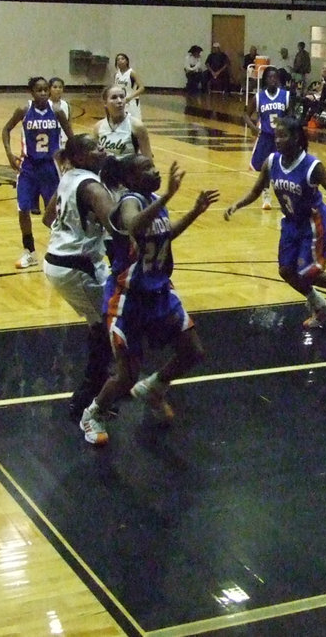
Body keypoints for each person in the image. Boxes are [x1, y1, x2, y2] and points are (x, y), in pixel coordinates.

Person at [76, 156, 218, 446]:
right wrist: (167, 194)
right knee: (126, 376)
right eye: (147, 169)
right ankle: (93, 413)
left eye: (154, 166)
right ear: (131, 178)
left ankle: (154, 388)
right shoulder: (130, 201)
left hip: (160, 292)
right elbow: (135, 227)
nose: (155, 171)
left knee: (192, 351)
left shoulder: (152, 200)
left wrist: (194, 212)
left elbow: (164, 236)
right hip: (128, 299)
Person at [224, 115, 326, 329]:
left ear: (297, 138)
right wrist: (237, 205)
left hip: (313, 222)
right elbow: (255, 190)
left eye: (283, 136)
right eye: (276, 136)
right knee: (286, 271)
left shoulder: (312, 165)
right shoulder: (271, 162)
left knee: (307, 271)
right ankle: (322, 307)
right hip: (290, 222)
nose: (277, 140)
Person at [42, 134, 117, 424]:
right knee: (106, 327)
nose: (102, 149)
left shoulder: (69, 176)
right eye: (94, 148)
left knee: (99, 324)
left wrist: (78, 225)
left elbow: (48, 218)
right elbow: (119, 225)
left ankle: (100, 387)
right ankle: (87, 399)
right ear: (79, 157)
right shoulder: (91, 186)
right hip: (77, 265)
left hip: (61, 260)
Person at [2, 76, 74, 269]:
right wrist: (9, 154)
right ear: (31, 92)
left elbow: (72, 137)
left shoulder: (57, 111)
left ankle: (59, 251)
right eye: (39, 90)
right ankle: (30, 251)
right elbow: (6, 129)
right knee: (23, 208)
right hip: (29, 166)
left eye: (45, 90)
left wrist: (69, 159)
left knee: (55, 213)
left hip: (50, 167)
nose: (43, 93)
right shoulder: (24, 110)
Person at [245, 66, 291, 209]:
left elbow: (291, 116)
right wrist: (253, 127)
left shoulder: (286, 96)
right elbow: (245, 114)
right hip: (265, 137)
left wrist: (289, 130)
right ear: (265, 79)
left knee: (282, 168)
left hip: (281, 139)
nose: (273, 80)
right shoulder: (259, 97)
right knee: (265, 169)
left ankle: (284, 198)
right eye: (270, 77)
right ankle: (266, 195)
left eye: (275, 77)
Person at [95, 85, 152, 160]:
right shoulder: (98, 127)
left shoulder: (137, 126)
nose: (119, 101)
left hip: (128, 170)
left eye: (122, 97)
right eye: (114, 97)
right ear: (105, 103)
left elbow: (148, 159)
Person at [112, 52, 144, 119]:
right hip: (120, 102)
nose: (120, 61)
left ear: (127, 61)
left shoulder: (132, 73)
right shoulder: (116, 74)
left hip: (132, 102)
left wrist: (130, 97)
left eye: (122, 59)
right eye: (118, 59)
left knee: (134, 123)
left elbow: (141, 88)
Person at [47, 76, 70, 147]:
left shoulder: (66, 105)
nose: (58, 89)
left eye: (60, 87)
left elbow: (69, 124)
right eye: (55, 87)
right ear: (49, 89)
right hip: (49, 142)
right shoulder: (44, 104)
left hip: (64, 141)